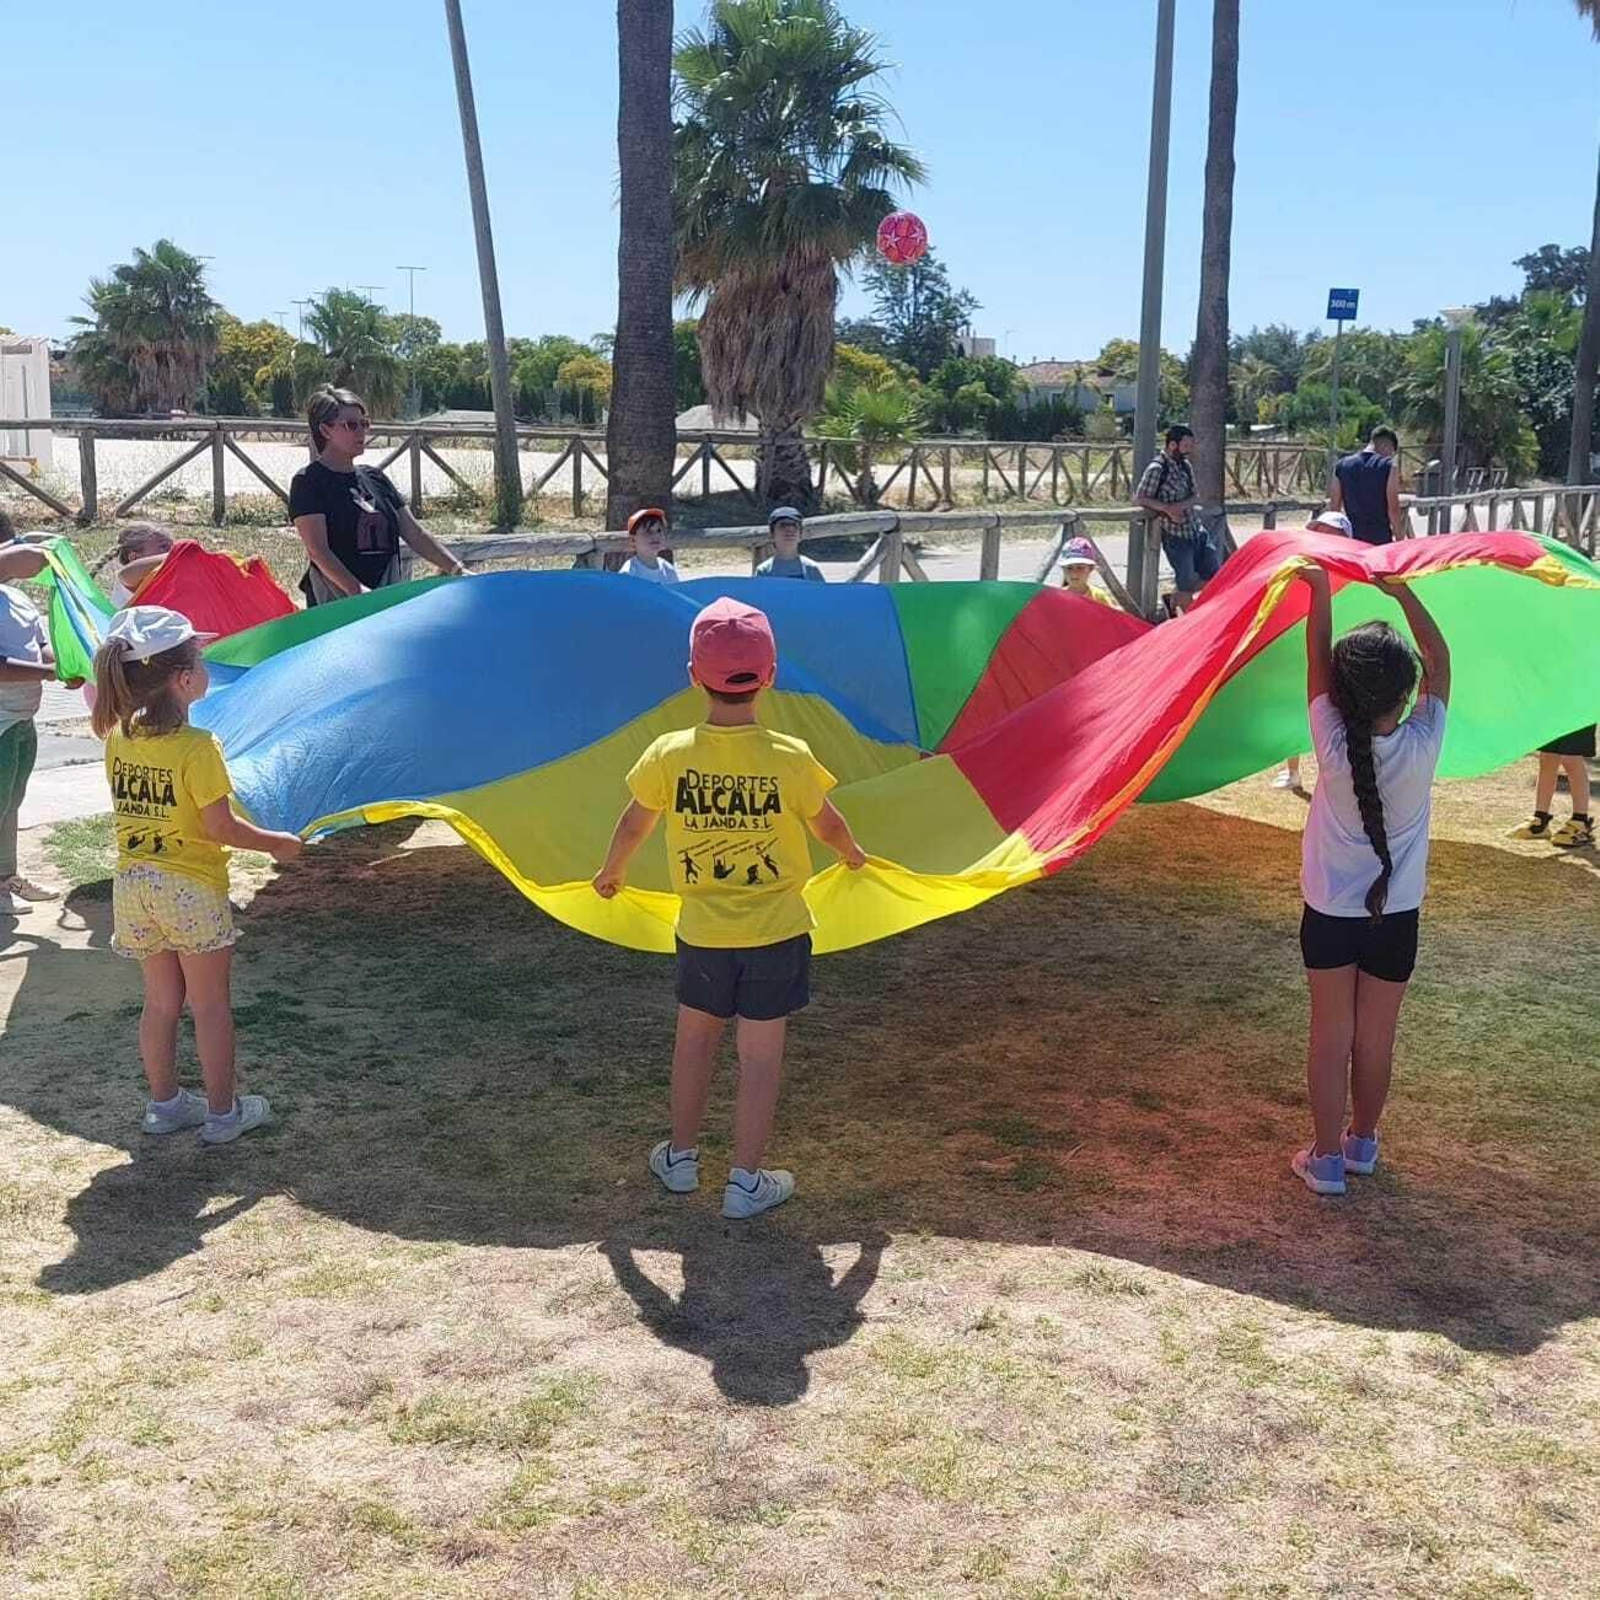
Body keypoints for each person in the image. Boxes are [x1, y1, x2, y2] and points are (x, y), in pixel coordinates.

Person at [592, 597, 867, 1219]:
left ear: (693, 675)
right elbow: (827, 823)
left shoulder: (668, 754)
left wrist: (612, 870)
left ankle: (681, 1159)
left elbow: (635, 823)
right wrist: (852, 853)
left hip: (703, 929)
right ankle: (745, 1181)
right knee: (761, 1056)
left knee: (694, 1043)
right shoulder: (791, 757)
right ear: (770, 676)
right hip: (777, 930)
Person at [91, 606, 304, 1145]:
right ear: (185, 680)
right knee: (210, 1005)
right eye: (203, 660)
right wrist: (276, 844)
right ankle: (223, 1115)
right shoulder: (198, 747)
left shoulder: (119, 737)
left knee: (161, 1002)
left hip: (134, 885)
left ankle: (165, 1107)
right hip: (189, 888)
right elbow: (219, 827)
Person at [1292, 565, 1450, 1196]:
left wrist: (1320, 590)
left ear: (1340, 695)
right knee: (1376, 1036)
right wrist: (1403, 590)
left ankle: (1325, 1159)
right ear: (1408, 695)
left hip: (1329, 912)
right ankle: (1362, 1143)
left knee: (1331, 1035)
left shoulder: (1329, 741)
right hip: (1398, 915)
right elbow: (1439, 659)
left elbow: (1315, 657)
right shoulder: (1425, 740)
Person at [289, 386, 468, 606]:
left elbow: (416, 534)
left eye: (364, 423)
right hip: (336, 604)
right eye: (351, 425)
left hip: (387, 596)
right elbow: (318, 551)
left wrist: (458, 569)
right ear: (326, 431)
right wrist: (357, 591)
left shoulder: (375, 478)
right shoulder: (309, 481)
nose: (362, 432)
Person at [0, 513, 64, 915]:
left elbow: (41, 645)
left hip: (22, 719)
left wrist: (65, 665)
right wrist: (48, 672)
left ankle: (6, 878)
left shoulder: (19, 598)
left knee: (11, 802)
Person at [1134, 424, 1219, 615]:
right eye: (1186, 444)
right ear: (1173, 445)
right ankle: (1189, 622)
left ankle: (1173, 599)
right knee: (1186, 581)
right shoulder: (1157, 468)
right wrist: (1167, 510)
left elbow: (1195, 495)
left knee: (1214, 574)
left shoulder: (1186, 467)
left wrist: (1180, 506)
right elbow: (1140, 497)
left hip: (1195, 530)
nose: (1190, 448)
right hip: (1175, 535)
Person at [1509, 726, 1594, 848]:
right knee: (1548, 757)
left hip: (1577, 712)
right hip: (1554, 712)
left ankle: (1580, 822)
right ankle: (1540, 820)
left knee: (1571, 758)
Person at [1329, 426, 1407, 546]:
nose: (1389, 457)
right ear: (1387, 445)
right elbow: (1393, 510)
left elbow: (1334, 509)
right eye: (1391, 453)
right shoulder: (1389, 466)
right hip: (1380, 541)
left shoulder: (1341, 466)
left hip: (1352, 542)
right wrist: (1401, 543)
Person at [755, 507, 826, 582]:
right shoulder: (763, 571)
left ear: (800, 536)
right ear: (772, 535)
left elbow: (822, 593)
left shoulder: (811, 568)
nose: (789, 530)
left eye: (794, 525)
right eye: (783, 525)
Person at [620, 507, 681, 584]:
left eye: (659, 530)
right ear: (633, 540)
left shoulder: (668, 570)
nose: (655, 535)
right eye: (648, 531)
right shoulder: (629, 572)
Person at [1059, 536, 1116, 605]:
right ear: (1063, 569)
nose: (1074, 573)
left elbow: (1110, 615)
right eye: (1069, 568)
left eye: (1080, 567)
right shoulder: (1058, 598)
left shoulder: (1099, 597)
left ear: (1091, 569)